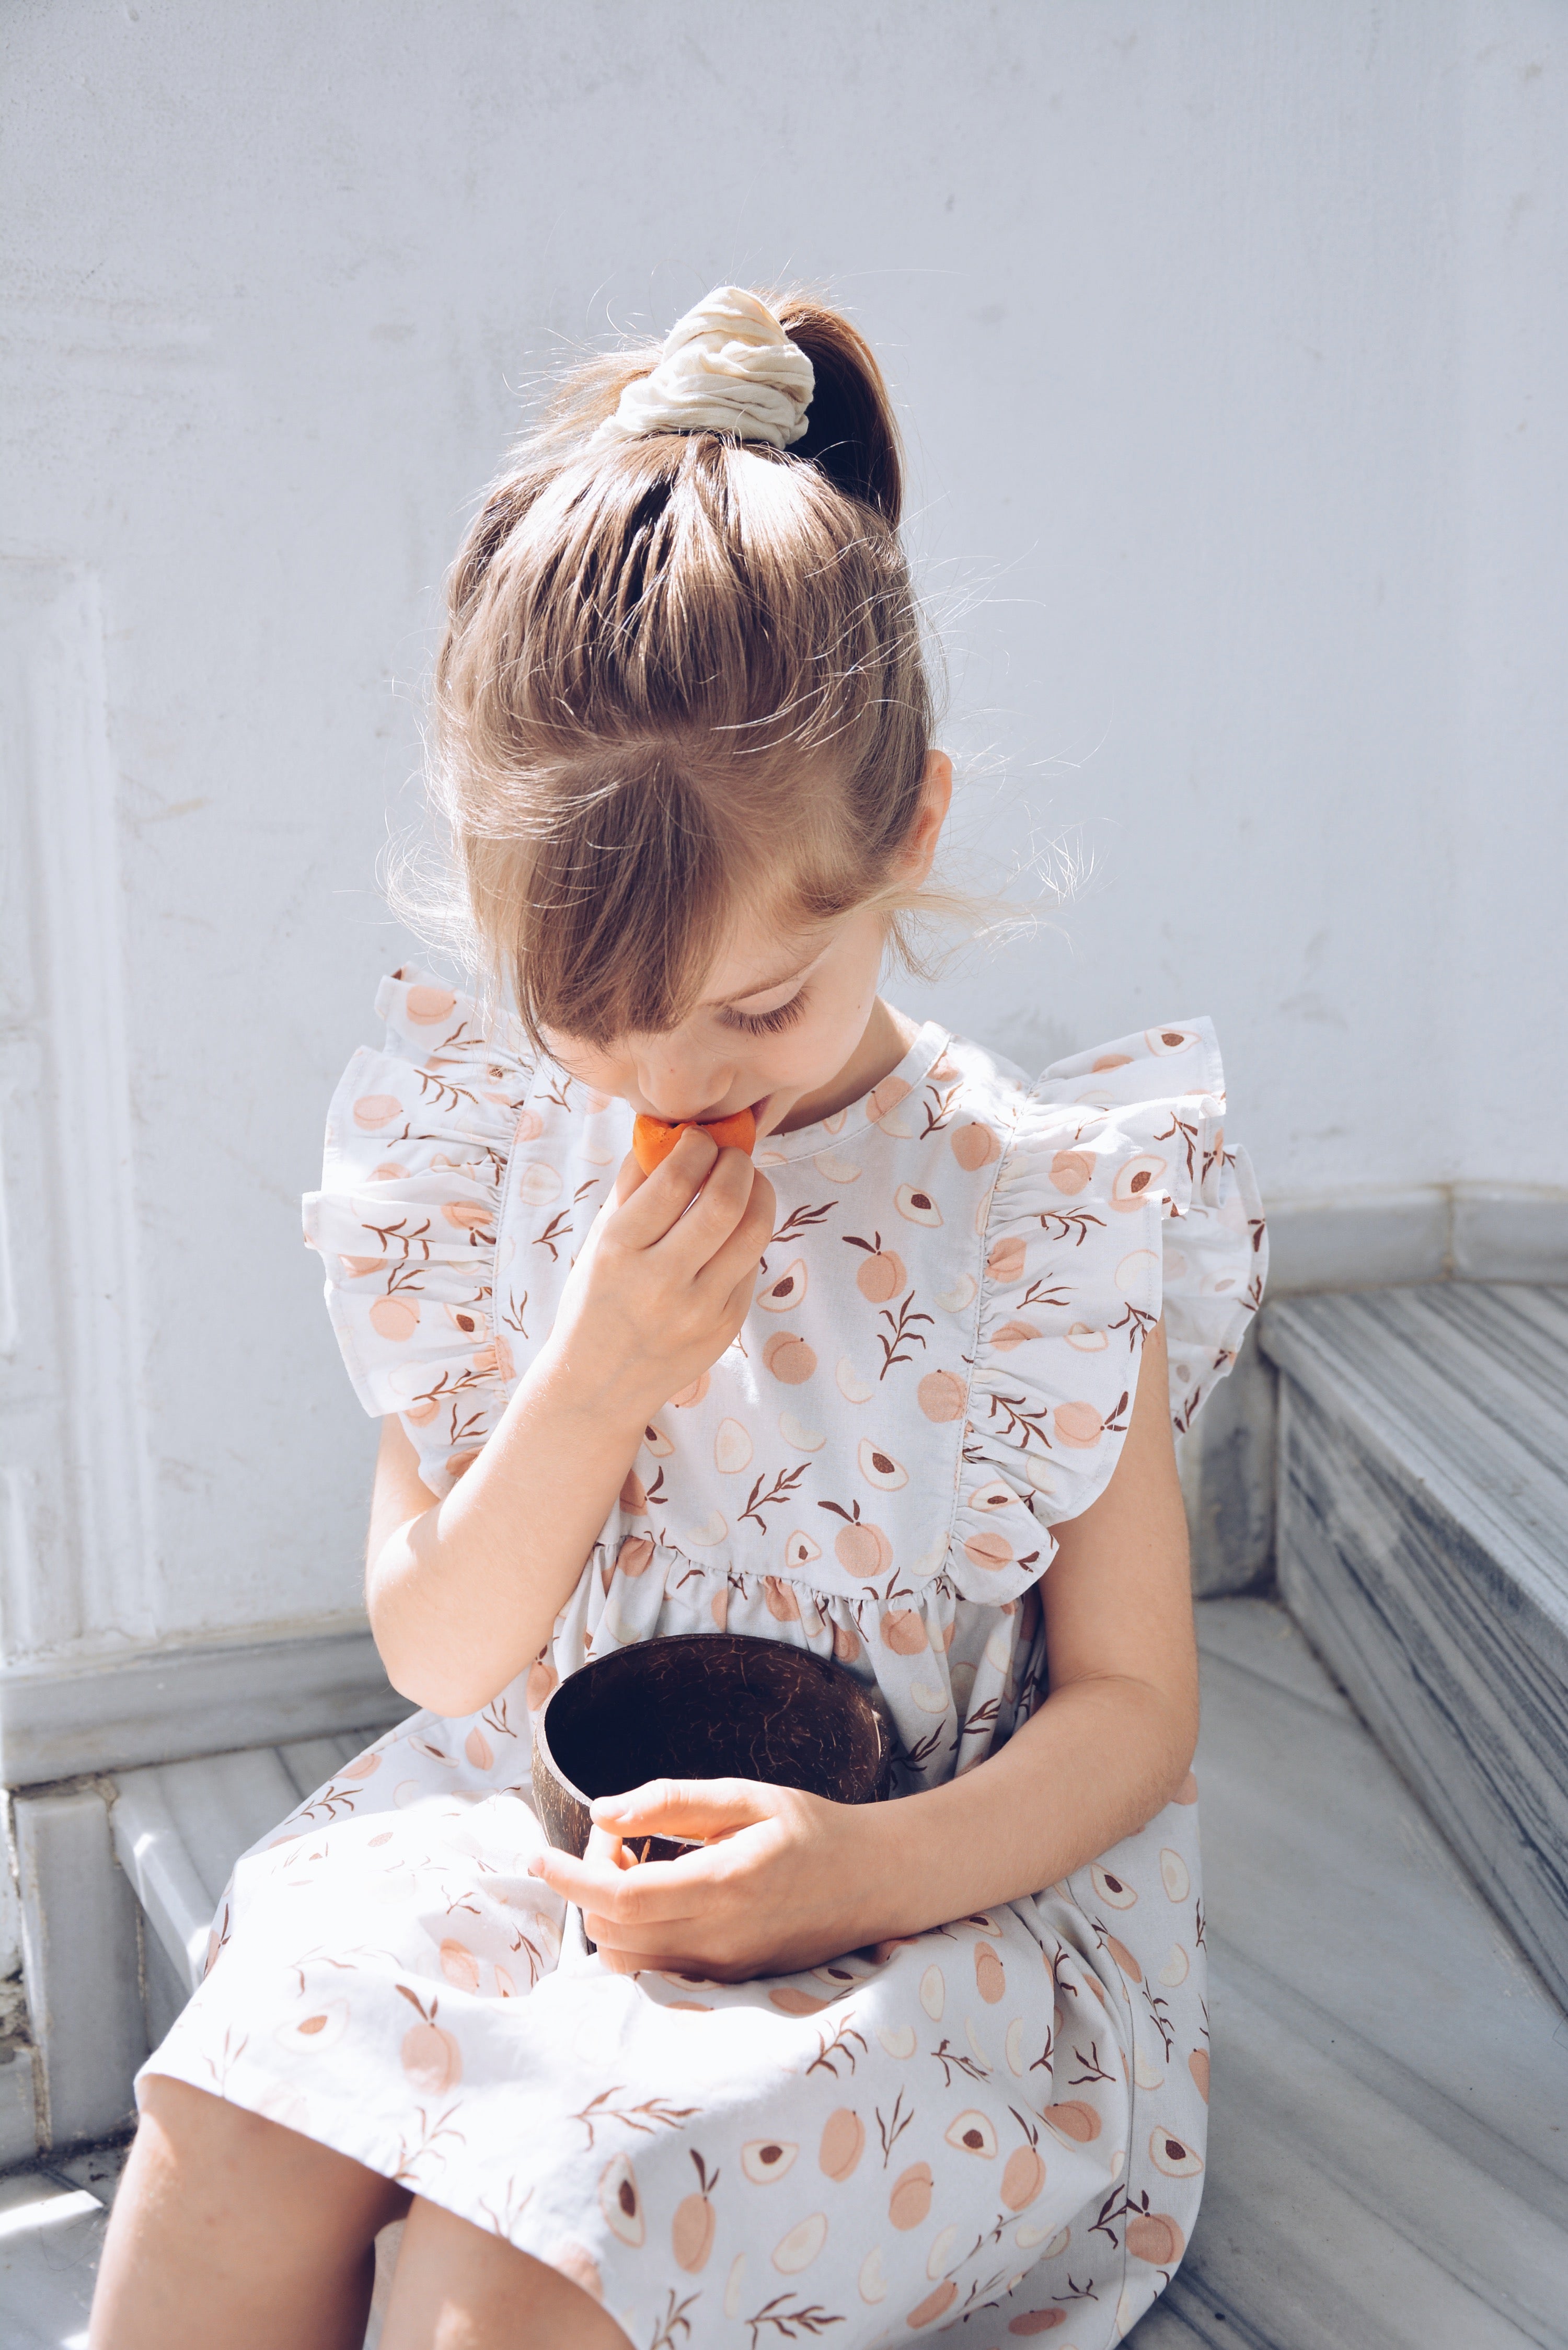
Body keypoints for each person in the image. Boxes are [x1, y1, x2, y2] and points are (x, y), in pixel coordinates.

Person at [92, 286, 1266, 2350]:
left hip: (923, 1918)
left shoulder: (1038, 1218)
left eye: (752, 1009)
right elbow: (441, 1646)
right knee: (232, 2107)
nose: (667, 1084)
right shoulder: (494, 1148)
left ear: (909, 835)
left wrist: (857, 1872)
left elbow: (1131, 1707)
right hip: (542, 1841)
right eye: (591, 1016)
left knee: (515, 2261)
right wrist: (596, 1373)